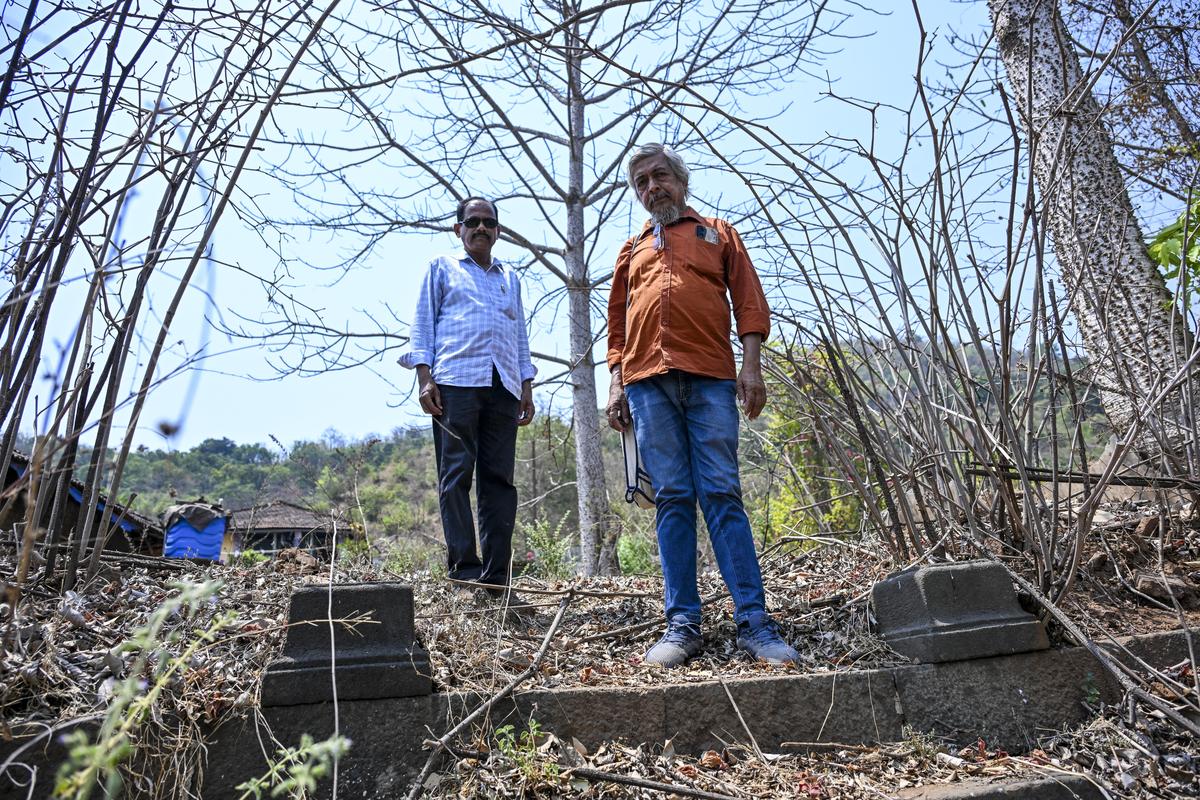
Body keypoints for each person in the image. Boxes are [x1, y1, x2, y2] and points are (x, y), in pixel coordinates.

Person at [606, 144, 799, 667]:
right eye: (641, 182)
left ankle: (755, 625)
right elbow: (618, 326)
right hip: (647, 384)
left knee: (721, 493)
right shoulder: (632, 249)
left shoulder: (718, 233)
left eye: (660, 176)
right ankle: (682, 626)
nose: (652, 187)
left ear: (681, 181)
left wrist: (751, 367)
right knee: (671, 498)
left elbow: (750, 302)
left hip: (713, 379)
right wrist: (617, 384)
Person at [400, 197, 535, 598]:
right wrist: (424, 378)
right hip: (455, 382)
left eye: (488, 223)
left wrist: (526, 385)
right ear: (457, 229)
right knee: (455, 476)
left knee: (499, 481)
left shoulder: (509, 277)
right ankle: (465, 569)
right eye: (472, 221)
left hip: (504, 386)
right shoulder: (441, 268)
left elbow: (520, 337)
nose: (481, 228)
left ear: (498, 231)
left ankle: (497, 577)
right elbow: (422, 325)